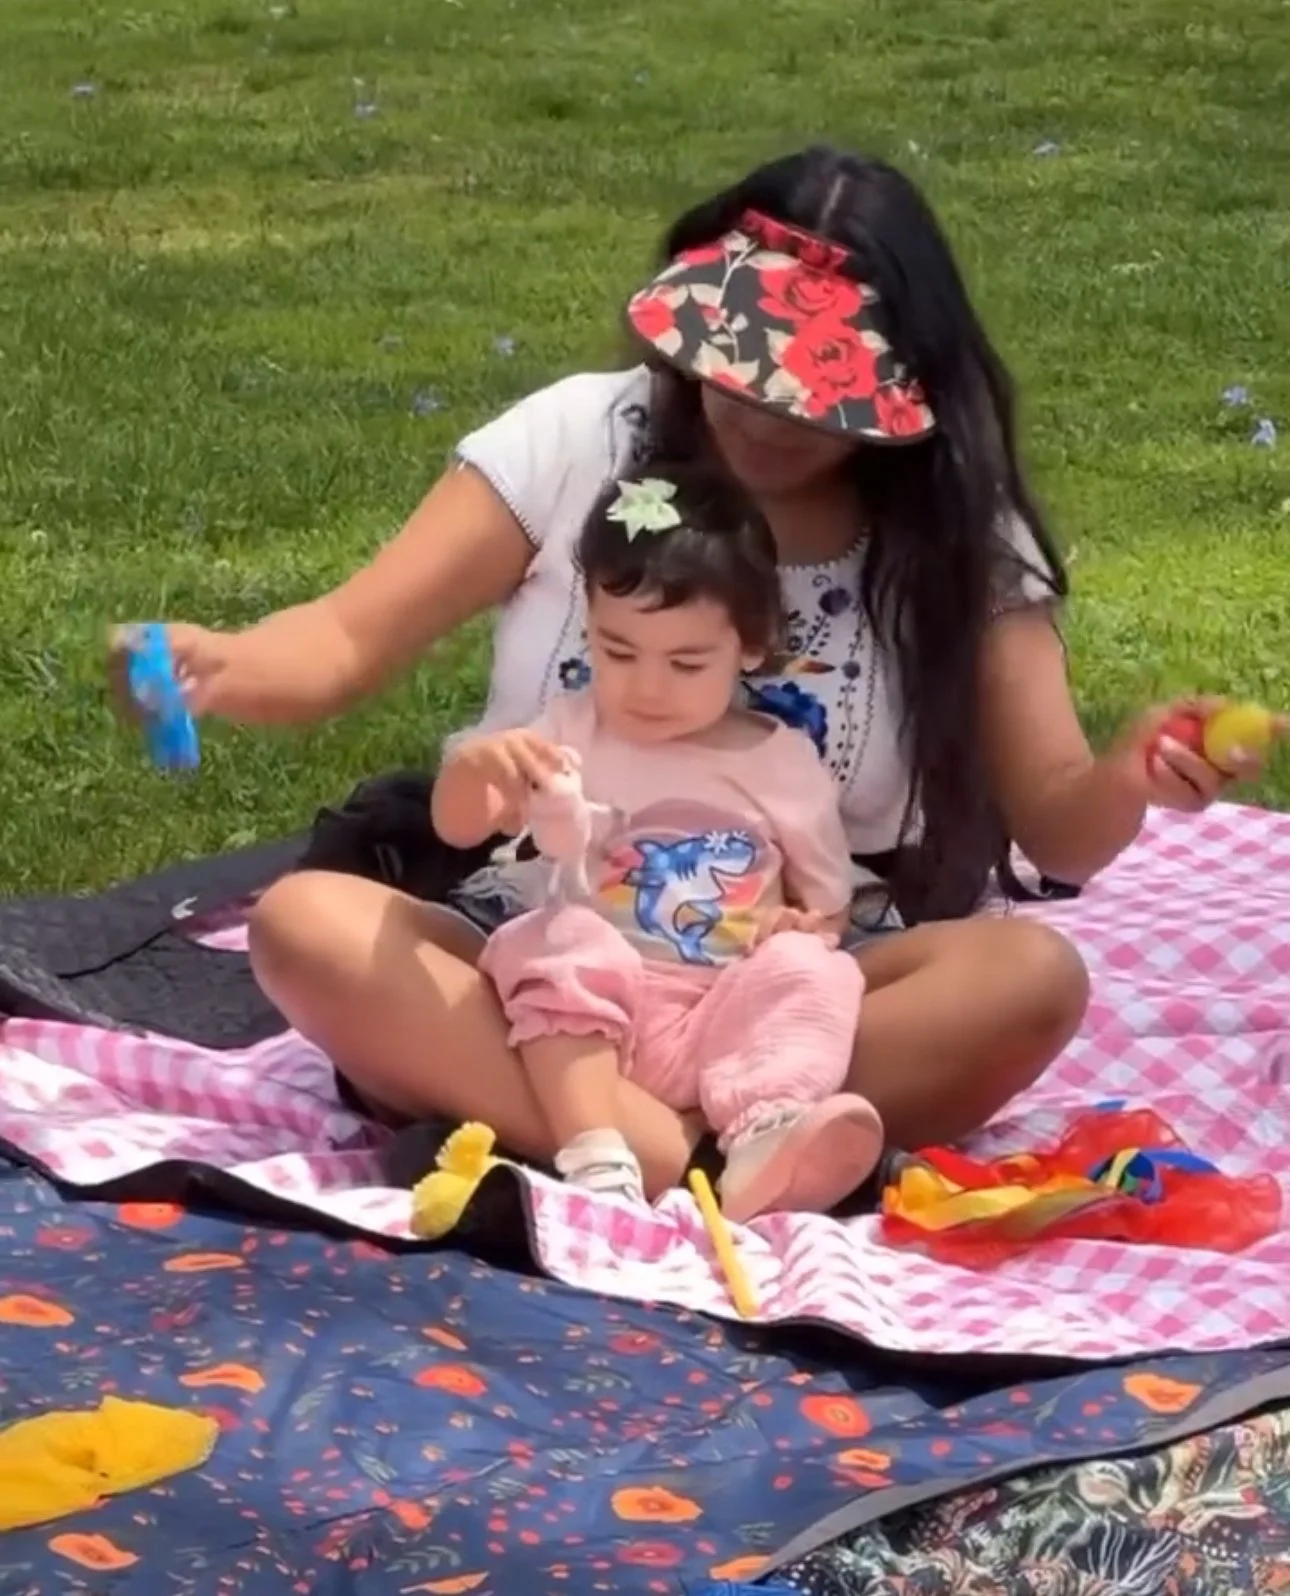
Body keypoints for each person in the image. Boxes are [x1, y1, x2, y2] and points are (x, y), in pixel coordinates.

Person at [126, 144, 1281, 1201]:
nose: (762, 414)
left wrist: (1133, 774)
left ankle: (570, 1132)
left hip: (793, 982)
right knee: (307, 927)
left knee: (1031, 978)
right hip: (543, 947)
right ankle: (693, 1155)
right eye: (738, 370)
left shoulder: (956, 541)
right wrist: (222, 663)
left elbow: (1061, 830)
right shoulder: (579, 439)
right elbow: (340, 643)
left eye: (808, 393)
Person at [447, 461, 882, 1217]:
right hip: (584, 1029)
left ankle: (765, 1132)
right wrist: (475, 768)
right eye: (618, 653)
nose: (647, 687)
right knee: (561, 938)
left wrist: (805, 926)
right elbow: (459, 825)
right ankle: (596, 1151)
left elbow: (829, 908)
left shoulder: (780, 764)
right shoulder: (571, 729)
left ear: (751, 646)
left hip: (720, 1024)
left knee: (814, 971)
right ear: (586, 623)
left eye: (686, 663)